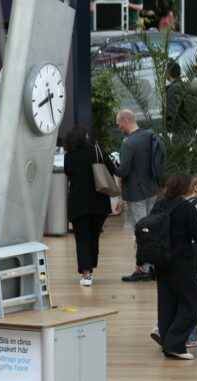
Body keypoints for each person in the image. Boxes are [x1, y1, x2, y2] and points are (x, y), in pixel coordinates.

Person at [149, 175, 197, 360]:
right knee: (191, 305)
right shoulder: (187, 208)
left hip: (162, 262)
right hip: (182, 263)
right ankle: (175, 345)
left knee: (167, 305)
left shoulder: (159, 205)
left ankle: (168, 344)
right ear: (186, 189)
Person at [114, 110, 161, 282]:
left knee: (142, 231)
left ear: (126, 120)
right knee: (151, 228)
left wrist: (112, 165)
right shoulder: (150, 136)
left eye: (119, 123)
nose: (118, 127)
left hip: (135, 193)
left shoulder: (128, 143)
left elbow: (123, 171)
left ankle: (144, 268)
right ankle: (153, 265)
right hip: (152, 189)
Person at [63, 127, 113, 287]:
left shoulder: (69, 156)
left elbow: (68, 173)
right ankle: (90, 267)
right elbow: (112, 168)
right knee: (94, 236)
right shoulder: (96, 151)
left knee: (82, 238)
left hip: (78, 203)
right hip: (100, 202)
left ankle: (86, 273)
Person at [165, 61, 197, 135]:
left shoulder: (173, 88)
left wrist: (168, 129)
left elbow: (171, 112)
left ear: (168, 73)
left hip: (180, 131)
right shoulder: (184, 85)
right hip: (190, 128)